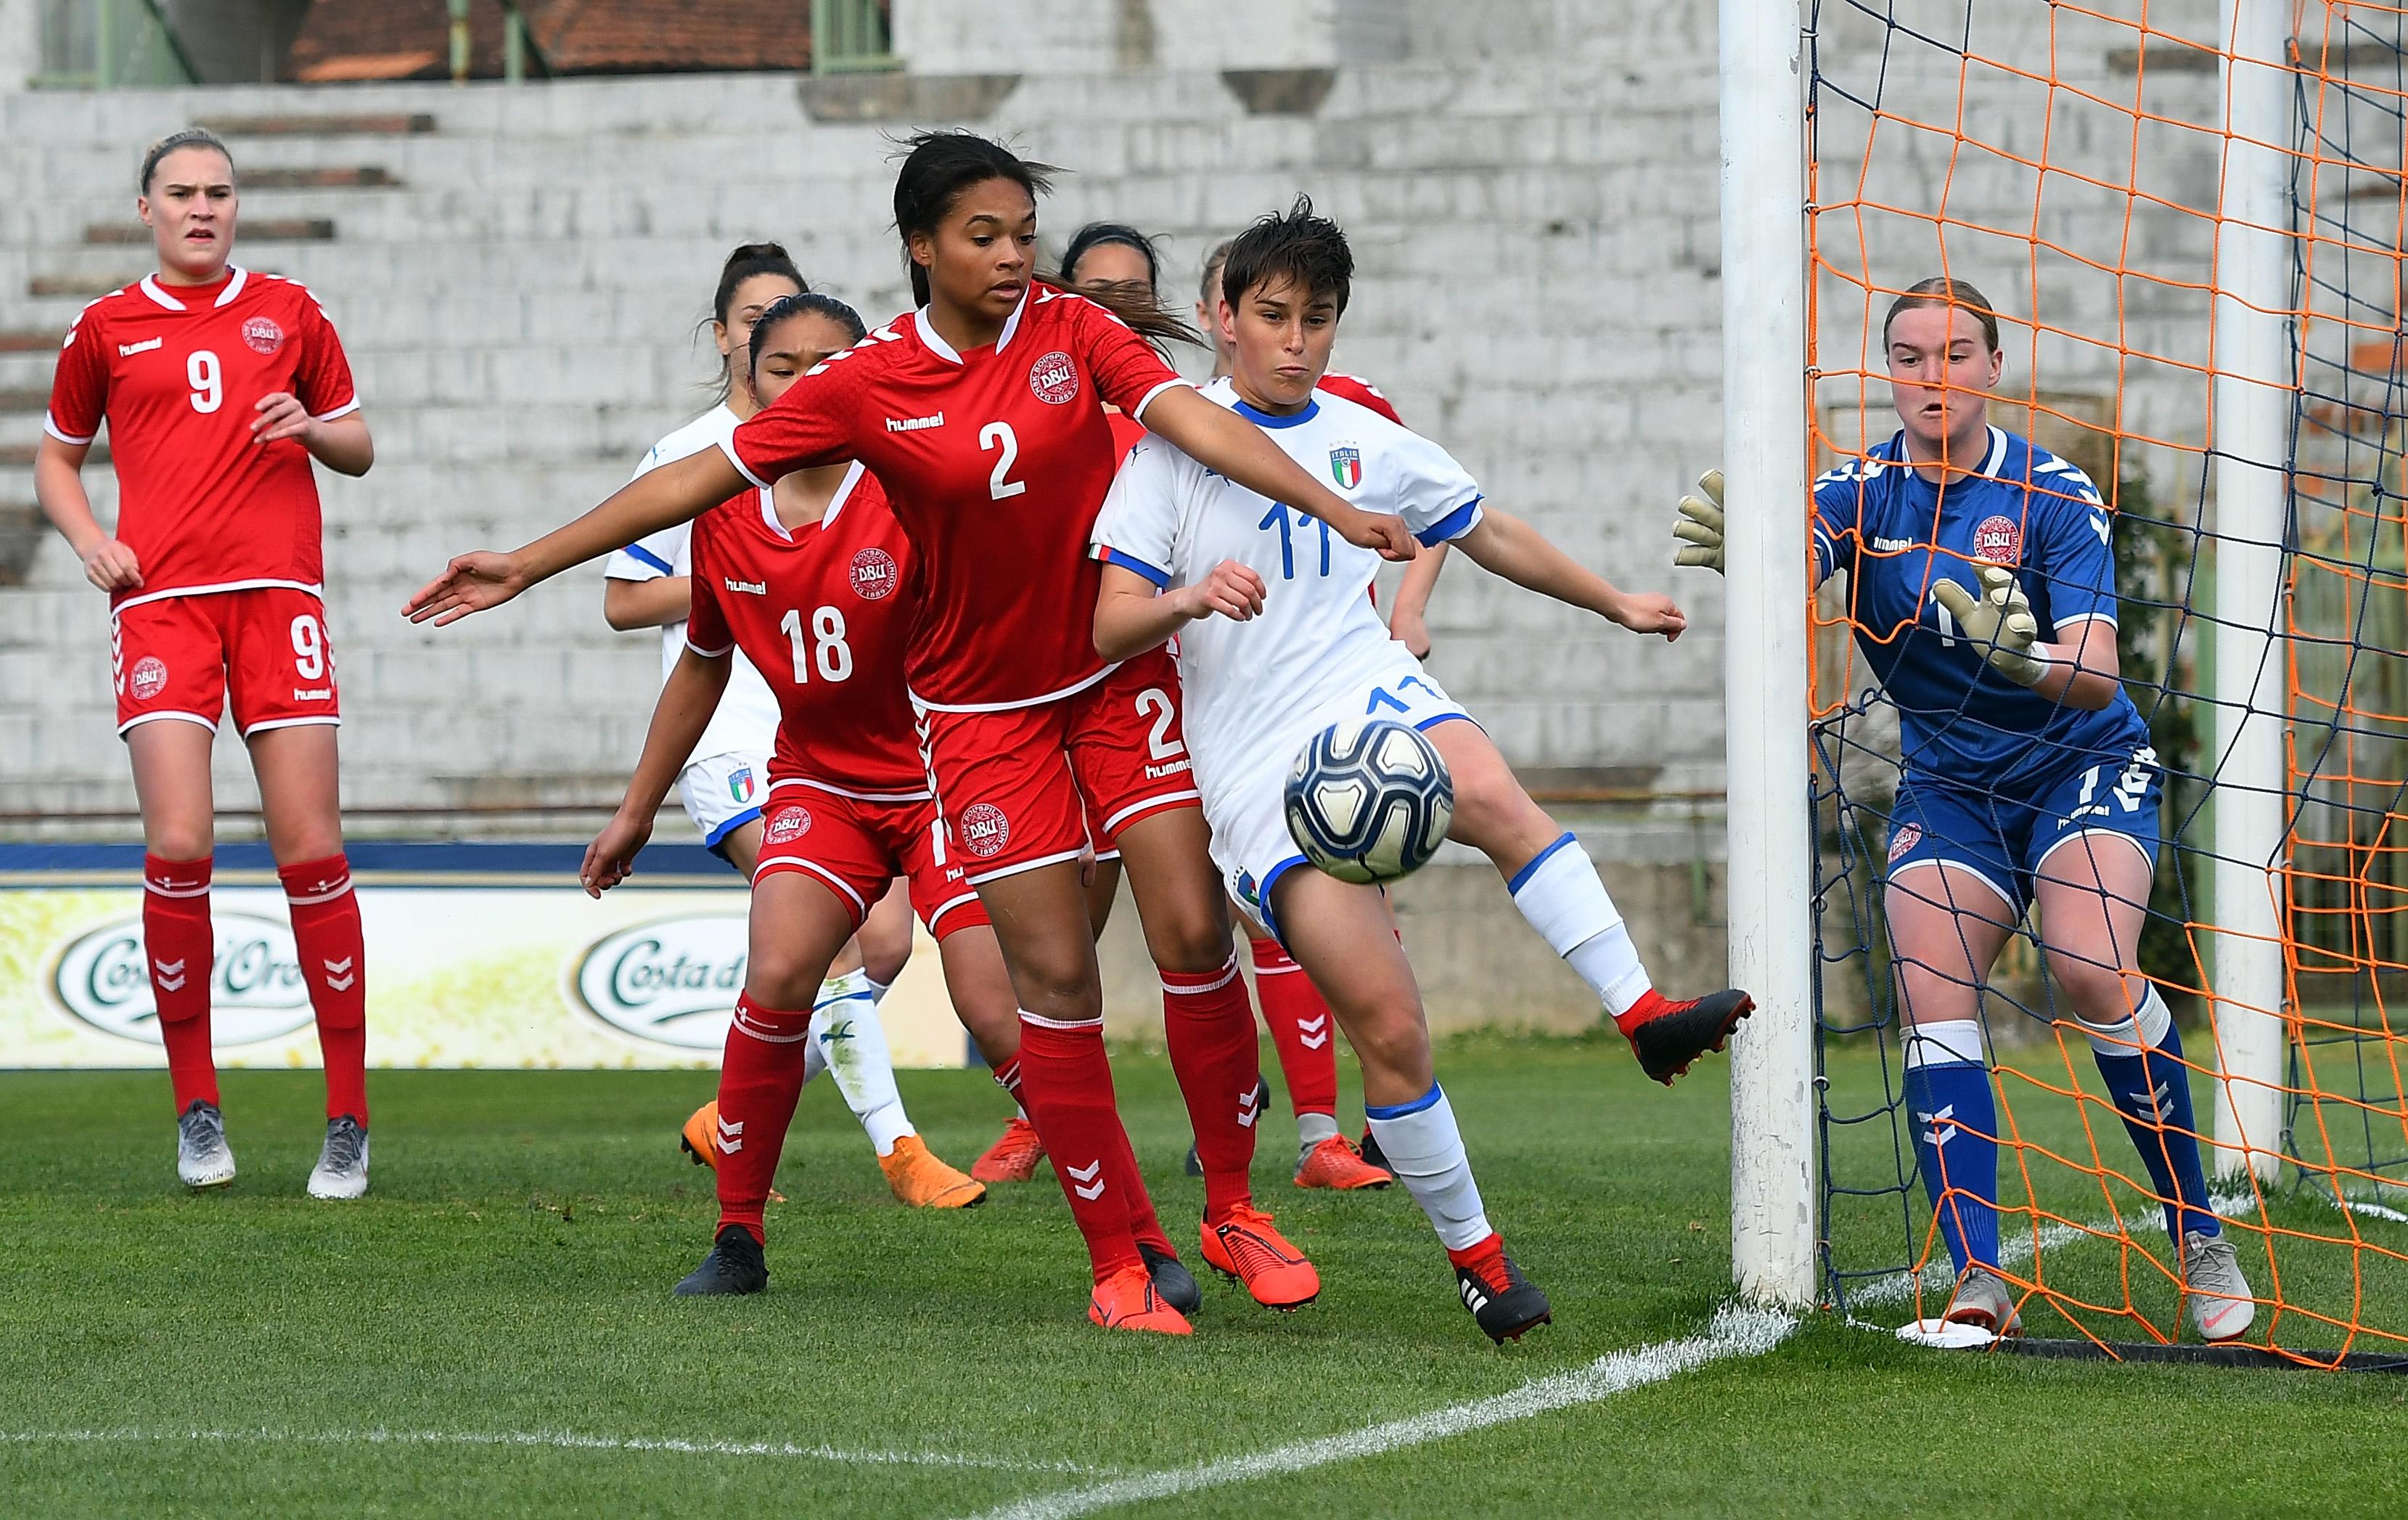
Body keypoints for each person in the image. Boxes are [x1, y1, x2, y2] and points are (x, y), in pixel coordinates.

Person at [408, 132, 1422, 1336]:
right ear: (921, 247)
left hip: (1110, 670)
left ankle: (1231, 1205)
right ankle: (1114, 1262)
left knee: (1193, 923)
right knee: (1048, 979)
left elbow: (1196, 425)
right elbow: (693, 487)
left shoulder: (1068, 332)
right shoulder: (867, 381)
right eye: (981, 237)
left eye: (1021, 235)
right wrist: (526, 561)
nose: (1009, 258)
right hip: (976, 717)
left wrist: (1336, 505)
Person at [1091, 198, 1755, 1341]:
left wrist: (1613, 603)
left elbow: (1484, 527)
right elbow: (1110, 623)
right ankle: (1482, 1263)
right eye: (1274, 315)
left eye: (1320, 318)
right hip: (1256, 765)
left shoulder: (1363, 435)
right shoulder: (1176, 447)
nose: (1297, 340)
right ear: (1222, 319)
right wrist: (1191, 597)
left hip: (1365, 689)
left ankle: (1640, 1011)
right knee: (1391, 1032)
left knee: (1494, 792)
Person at [1670, 275, 2254, 1343]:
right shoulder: (1858, 492)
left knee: (2087, 968)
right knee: (1933, 986)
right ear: (1884, 368)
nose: (1930, 376)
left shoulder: (2052, 493)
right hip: (1949, 785)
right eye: (1906, 355)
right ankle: (1976, 1275)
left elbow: (2092, 669)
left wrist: (2018, 655)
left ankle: (2195, 1228)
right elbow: (1802, 555)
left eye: (1952, 354)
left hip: (2078, 760)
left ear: (1992, 364)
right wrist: (1755, 559)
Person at [586, 293, 1076, 1292]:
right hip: (816, 777)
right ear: (746, 384)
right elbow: (699, 660)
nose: (807, 384)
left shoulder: (915, 489)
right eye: (783, 367)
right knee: (779, 973)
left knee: (995, 1005)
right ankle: (737, 1239)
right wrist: (635, 808)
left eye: (830, 365)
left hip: (941, 771)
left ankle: (1130, 1243)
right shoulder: (720, 510)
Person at [35, 128, 377, 1198]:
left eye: (219, 193)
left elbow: (361, 443)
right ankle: (196, 1106)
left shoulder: (293, 308)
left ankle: (348, 1117)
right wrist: (93, 539)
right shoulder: (106, 326)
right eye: (180, 192)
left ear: (237, 205)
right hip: (164, 608)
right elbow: (56, 456)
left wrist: (314, 426)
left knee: (310, 848)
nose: (201, 207)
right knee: (180, 842)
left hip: (279, 601)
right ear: (146, 208)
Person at [597, 245, 975, 1209]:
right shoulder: (690, 461)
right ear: (730, 337)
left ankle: (730, 1115)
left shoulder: (860, 456)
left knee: (885, 942)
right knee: (841, 949)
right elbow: (624, 599)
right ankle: (901, 1153)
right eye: (761, 325)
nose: (798, 363)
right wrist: (751, 579)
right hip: (736, 744)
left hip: (848, 747)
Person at [1039, 221, 1393, 1195]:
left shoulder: (1315, 411)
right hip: (1101, 687)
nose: (1112, 305)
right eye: (1091, 289)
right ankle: (1038, 1115)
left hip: (1257, 687)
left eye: (1130, 290)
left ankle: (1321, 1133)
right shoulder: (1086, 420)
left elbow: (1435, 507)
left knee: (1264, 911)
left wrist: (1406, 610)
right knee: (1070, 953)